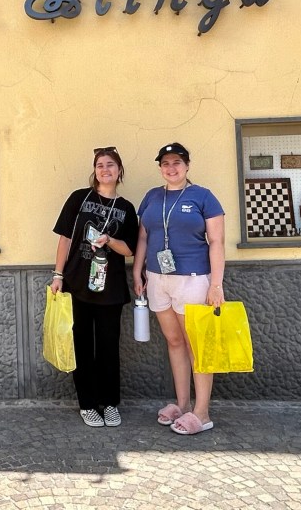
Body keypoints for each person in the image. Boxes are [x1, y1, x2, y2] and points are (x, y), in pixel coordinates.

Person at [132, 142, 225, 435]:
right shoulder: (151, 197)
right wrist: (137, 270)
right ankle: (183, 403)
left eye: (177, 163)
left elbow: (217, 243)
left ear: (187, 165)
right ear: (160, 167)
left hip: (193, 278)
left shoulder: (204, 197)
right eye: (165, 163)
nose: (171, 168)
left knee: (197, 345)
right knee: (174, 342)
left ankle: (202, 412)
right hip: (157, 278)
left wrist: (216, 284)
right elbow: (144, 238)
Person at [51, 146, 139, 428]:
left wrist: (108, 240)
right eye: (100, 165)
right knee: (81, 346)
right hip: (77, 283)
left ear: (119, 171)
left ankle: (110, 403)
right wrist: (58, 274)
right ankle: (88, 404)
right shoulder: (80, 198)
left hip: (110, 288)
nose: (105, 169)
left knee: (108, 349)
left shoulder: (126, 208)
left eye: (111, 165)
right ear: (95, 170)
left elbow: (130, 250)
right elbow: (65, 238)